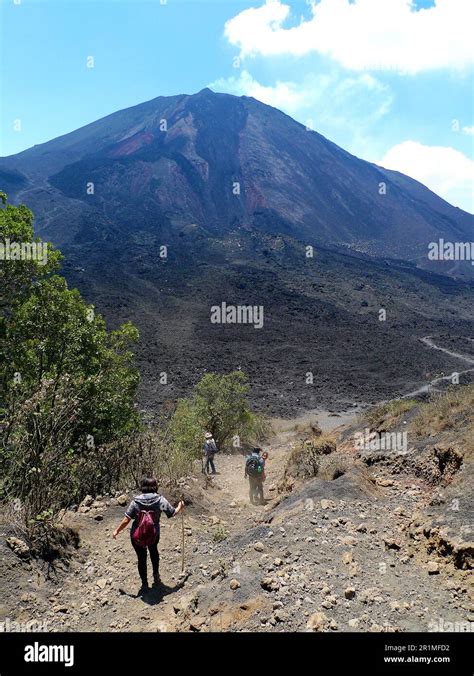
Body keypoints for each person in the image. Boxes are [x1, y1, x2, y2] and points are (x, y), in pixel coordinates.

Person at [113, 477, 184, 595]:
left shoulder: (136, 501)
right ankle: (156, 576)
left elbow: (127, 519)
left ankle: (144, 584)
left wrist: (117, 531)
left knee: (141, 559)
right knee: (154, 552)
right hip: (154, 534)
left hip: (137, 536)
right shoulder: (160, 501)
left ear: (143, 487)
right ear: (155, 486)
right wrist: (180, 507)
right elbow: (171, 513)